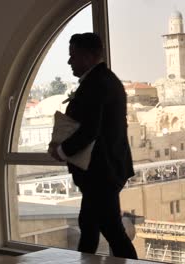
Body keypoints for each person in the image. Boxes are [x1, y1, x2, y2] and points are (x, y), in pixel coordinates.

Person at [48, 32, 137, 259]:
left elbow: (89, 130)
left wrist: (61, 150)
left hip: (101, 172)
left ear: (87, 56)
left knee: (110, 229)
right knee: (89, 225)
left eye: (73, 56)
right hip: (107, 169)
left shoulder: (95, 84)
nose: (69, 62)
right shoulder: (107, 80)